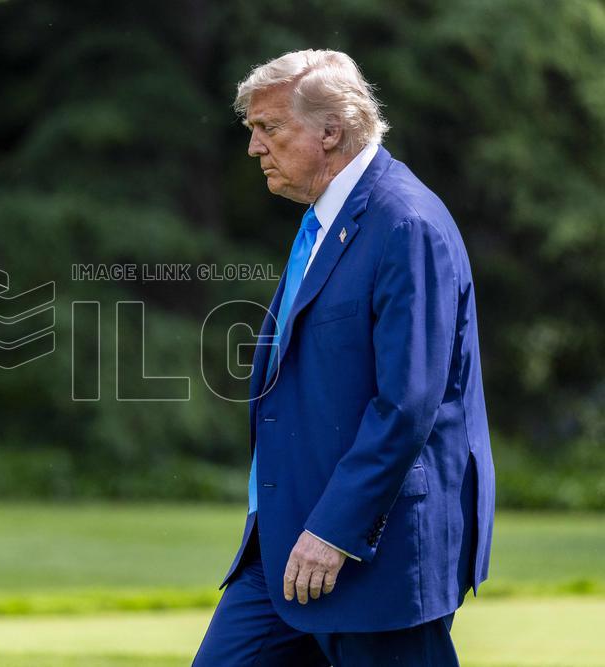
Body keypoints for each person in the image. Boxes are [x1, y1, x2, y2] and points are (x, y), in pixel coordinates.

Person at [193, 49, 495, 666]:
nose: (254, 148)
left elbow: (407, 403)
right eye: (252, 130)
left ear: (331, 131)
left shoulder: (407, 224)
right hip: (281, 548)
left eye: (269, 129)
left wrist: (335, 529)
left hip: (368, 553)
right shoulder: (323, 222)